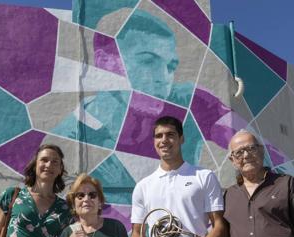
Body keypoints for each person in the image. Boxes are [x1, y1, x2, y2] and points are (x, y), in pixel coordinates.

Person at [52, 10, 192, 148]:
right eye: (147, 61)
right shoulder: (65, 140)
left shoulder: (176, 135)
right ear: (104, 62)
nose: (163, 78)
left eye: (171, 67)